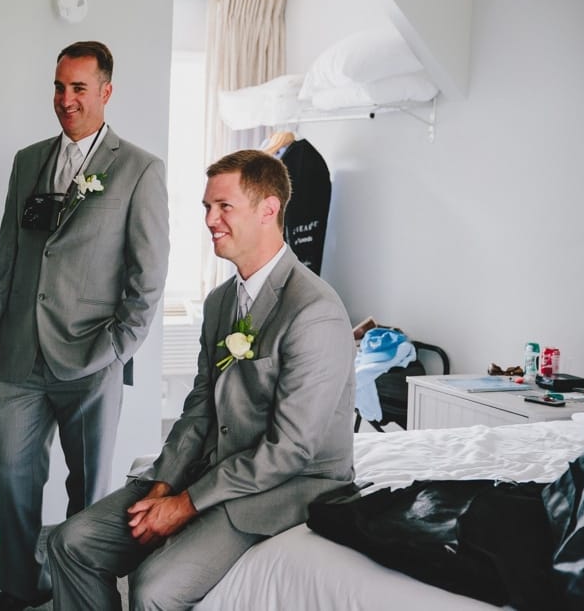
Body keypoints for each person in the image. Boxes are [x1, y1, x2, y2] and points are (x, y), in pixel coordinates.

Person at [47, 149, 357, 610]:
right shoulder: (219, 303)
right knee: (70, 542)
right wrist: (163, 485)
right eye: (207, 208)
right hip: (211, 469)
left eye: (223, 206)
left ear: (268, 209)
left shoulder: (315, 312)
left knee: (153, 586)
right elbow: (199, 410)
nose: (210, 219)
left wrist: (185, 504)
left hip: (285, 487)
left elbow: (291, 450)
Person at [0, 40, 170, 611]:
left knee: (87, 492)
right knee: (9, 474)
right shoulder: (28, 161)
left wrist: (116, 349)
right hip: (20, 355)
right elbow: (9, 259)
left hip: (93, 360)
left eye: (78, 88)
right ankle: (21, 588)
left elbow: (147, 278)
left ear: (105, 92)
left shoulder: (139, 168)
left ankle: (77, 591)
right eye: (58, 86)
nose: (66, 100)